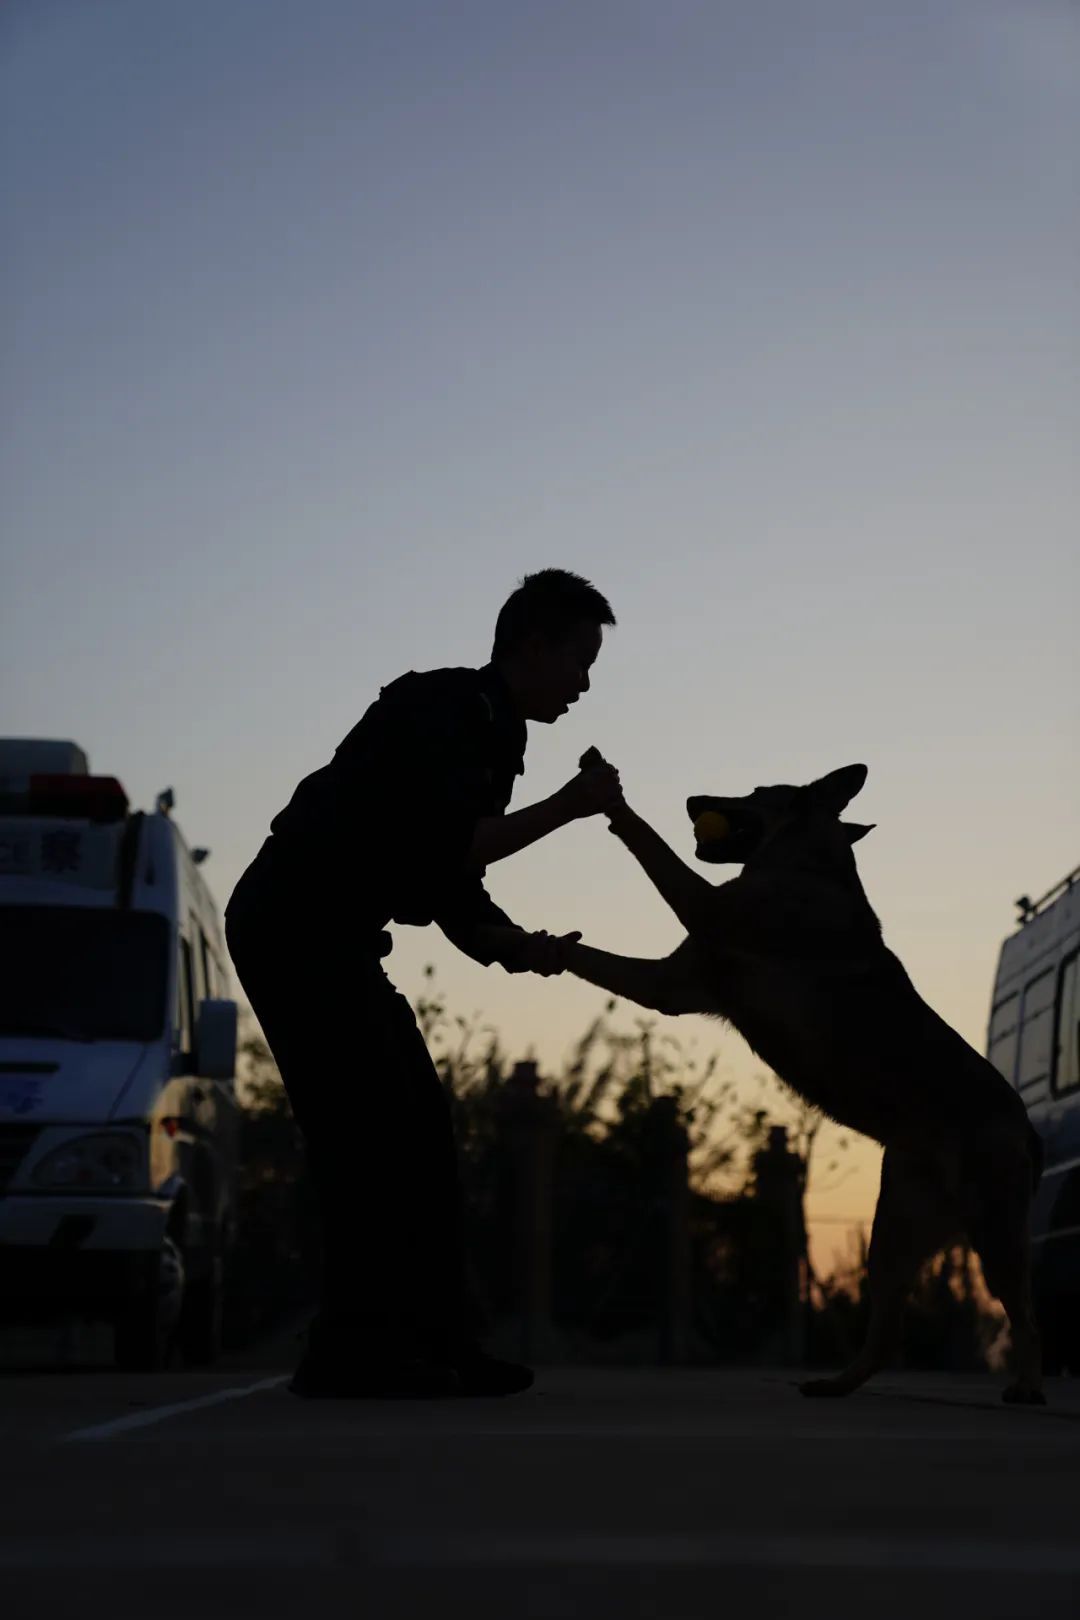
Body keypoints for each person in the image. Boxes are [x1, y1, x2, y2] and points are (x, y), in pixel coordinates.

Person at [224, 569, 620, 1397]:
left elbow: (450, 888)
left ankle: (436, 1342)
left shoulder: (494, 735)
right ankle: (355, 1351)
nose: (585, 682)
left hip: (331, 940)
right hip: (293, 926)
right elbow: (450, 843)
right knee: (365, 1135)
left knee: (419, 1132)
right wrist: (572, 806)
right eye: (579, 659)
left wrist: (523, 949)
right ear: (534, 645)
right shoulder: (446, 710)